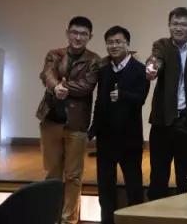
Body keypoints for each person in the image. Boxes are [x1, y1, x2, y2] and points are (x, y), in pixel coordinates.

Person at [36, 16, 100, 224]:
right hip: (51, 121)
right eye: (74, 32)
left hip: (77, 124)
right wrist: (55, 87)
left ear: (90, 37)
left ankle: (68, 220)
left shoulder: (94, 60)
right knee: (52, 174)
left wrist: (63, 87)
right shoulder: (54, 54)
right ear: (67, 33)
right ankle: (51, 217)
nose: (78, 37)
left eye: (83, 34)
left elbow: (87, 86)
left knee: (73, 176)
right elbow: (46, 74)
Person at [145, 7, 187, 199]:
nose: (179, 28)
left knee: (185, 175)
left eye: (183, 24)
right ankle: (156, 212)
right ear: (169, 25)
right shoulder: (162, 45)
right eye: (175, 24)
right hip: (163, 121)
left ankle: (185, 213)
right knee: (158, 175)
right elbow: (155, 59)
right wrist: (152, 68)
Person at [90, 26, 149, 224]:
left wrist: (122, 95)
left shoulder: (140, 69)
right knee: (105, 188)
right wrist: (93, 127)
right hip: (106, 137)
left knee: (133, 186)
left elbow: (141, 98)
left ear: (127, 44)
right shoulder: (104, 70)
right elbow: (99, 101)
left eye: (118, 42)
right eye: (110, 42)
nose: (113, 46)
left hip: (129, 137)